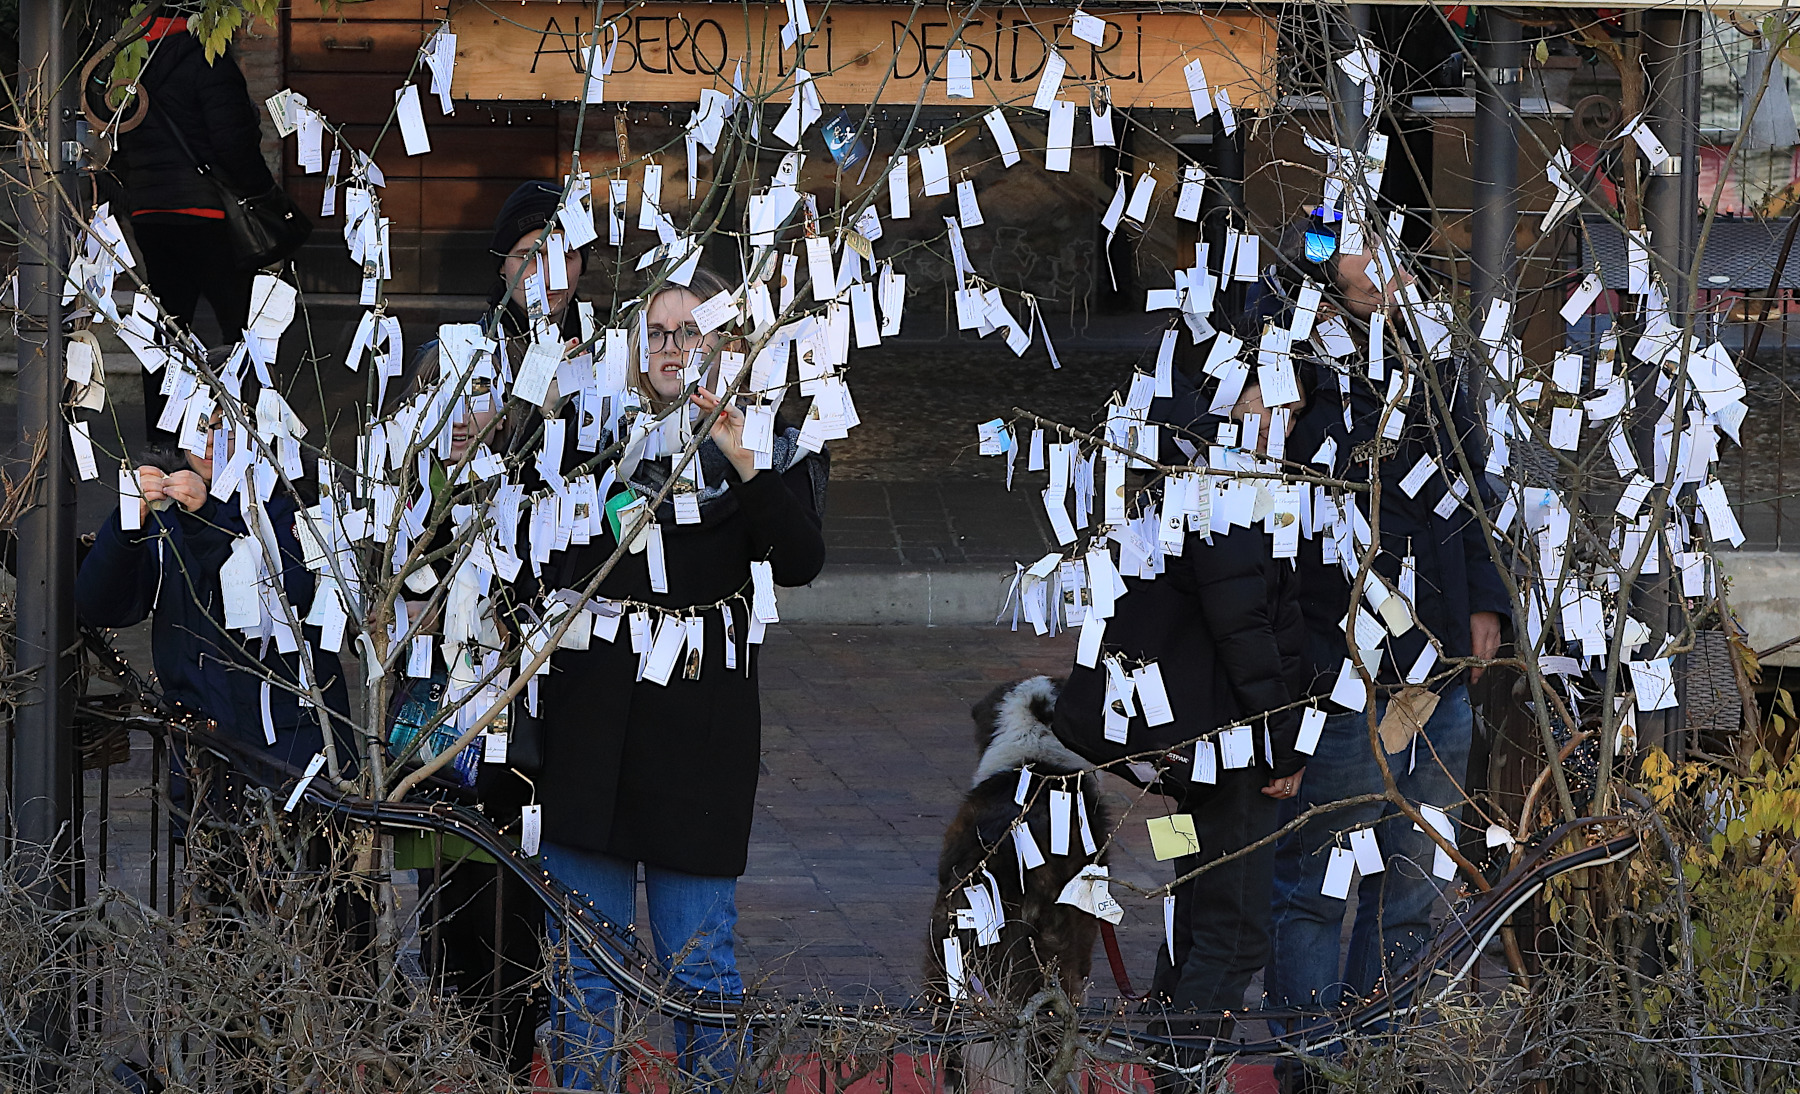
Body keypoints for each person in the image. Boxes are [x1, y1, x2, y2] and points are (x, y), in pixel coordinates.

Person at [536, 268, 828, 1089]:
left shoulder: (759, 446)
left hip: (697, 754)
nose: (673, 348)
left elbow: (801, 558)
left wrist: (741, 459)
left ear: (726, 342)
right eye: (658, 333)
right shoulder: (595, 441)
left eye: (691, 331)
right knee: (585, 979)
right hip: (590, 749)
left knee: (701, 977)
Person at [1264, 212, 1511, 1045]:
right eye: (1367, 245)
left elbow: (1472, 481)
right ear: (1329, 266)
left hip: (1438, 661)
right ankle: (1315, 1062)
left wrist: (1485, 602)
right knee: (1318, 880)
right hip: (1347, 671)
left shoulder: (1429, 354)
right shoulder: (1295, 362)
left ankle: (1385, 1056)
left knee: (1414, 881)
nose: (1392, 259)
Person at [1053, 376, 1308, 1042]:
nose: (1281, 419)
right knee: (1232, 928)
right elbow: (1244, 628)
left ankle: (1169, 1048)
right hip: (1233, 752)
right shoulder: (1228, 497)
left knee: (1196, 901)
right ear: (1232, 403)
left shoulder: (1189, 486)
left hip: (1192, 751)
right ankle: (1186, 1064)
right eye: (1268, 401)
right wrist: (1285, 741)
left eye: (1291, 407)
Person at [75, 392, 352, 784]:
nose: (208, 440)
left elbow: (288, 597)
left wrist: (206, 518)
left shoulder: (301, 504)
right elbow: (103, 607)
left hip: (295, 751)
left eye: (225, 427)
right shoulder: (164, 516)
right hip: (200, 753)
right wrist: (123, 528)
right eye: (199, 424)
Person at [115, 13, 277, 437]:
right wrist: (261, 194)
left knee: (166, 334)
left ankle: (164, 445)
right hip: (210, 215)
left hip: (153, 214)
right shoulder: (208, 58)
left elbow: (114, 142)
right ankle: (246, 440)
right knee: (243, 333)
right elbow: (233, 140)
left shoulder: (128, 63)